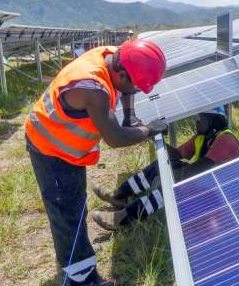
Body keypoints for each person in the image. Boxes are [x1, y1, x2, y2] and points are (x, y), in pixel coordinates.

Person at [24, 39, 168, 286]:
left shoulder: (114, 56)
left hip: (64, 146)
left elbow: (125, 89)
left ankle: (73, 264)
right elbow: (116, 138)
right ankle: (82, 279)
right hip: (51, 148)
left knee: (75, 204)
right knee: (67, 211)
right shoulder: (92, 87)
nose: (133, 92)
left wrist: (129, 116)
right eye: (135, 86)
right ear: (122, 74)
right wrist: (147, 130)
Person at [91, 106, 239, 231]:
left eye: (200, 118)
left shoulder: (225, 139)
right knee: (160, 165)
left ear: (212, 120)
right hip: (206, 185)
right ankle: (119, 195)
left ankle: (123, 218)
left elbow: (198, 171)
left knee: (172, 189)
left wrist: (169, 177)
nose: (196, 122)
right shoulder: (202, 137)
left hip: (219, 197)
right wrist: (151, 133)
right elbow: (176, 154)